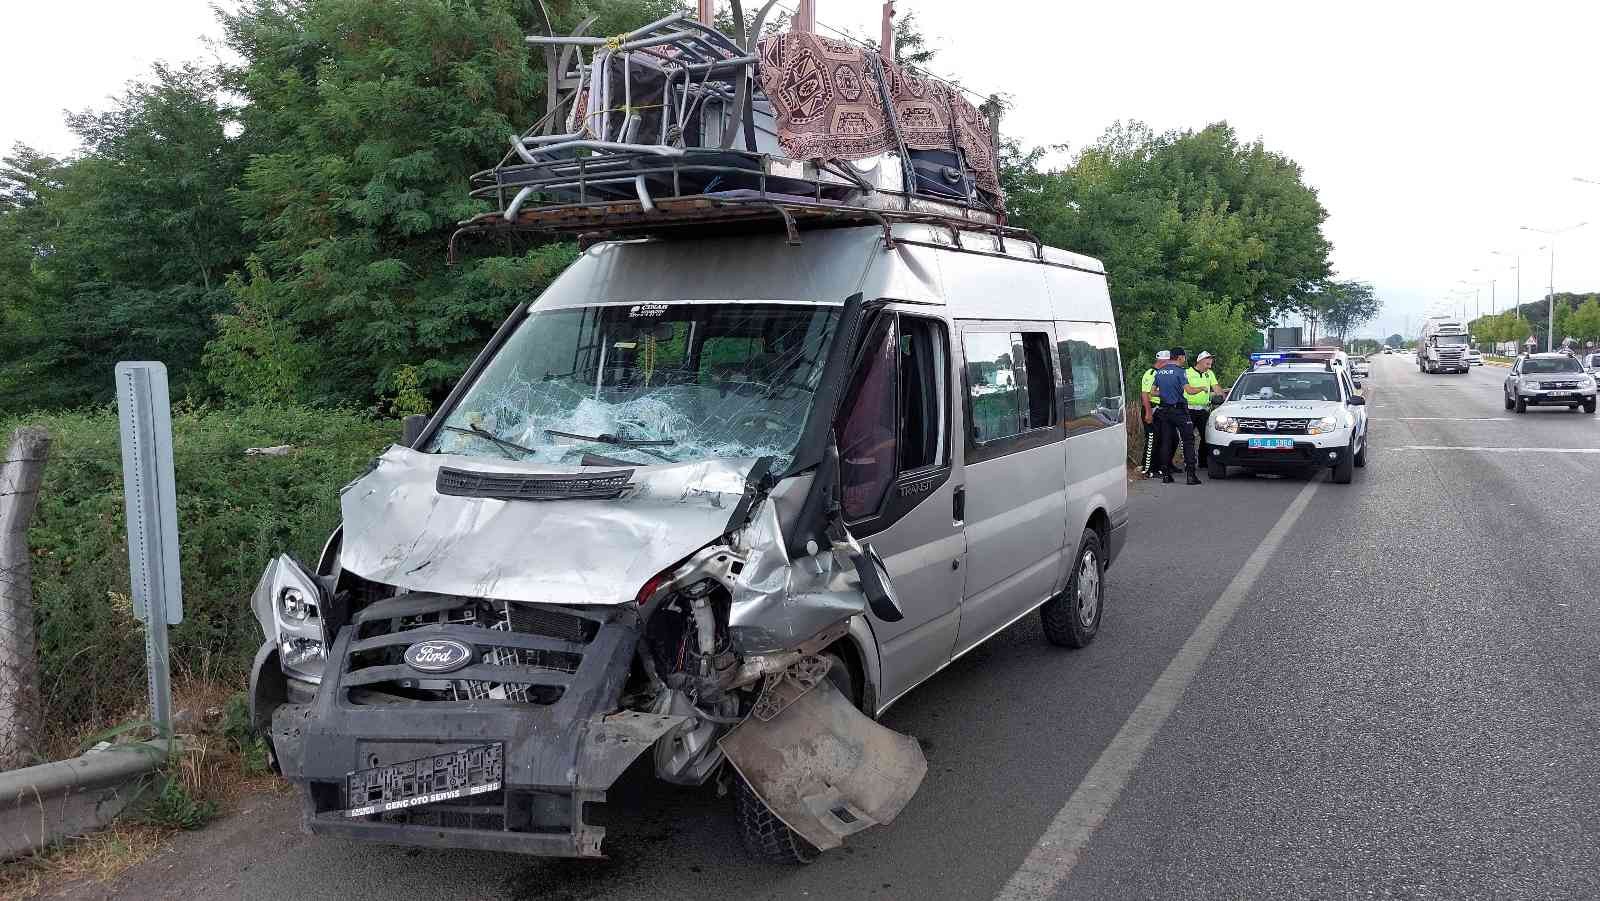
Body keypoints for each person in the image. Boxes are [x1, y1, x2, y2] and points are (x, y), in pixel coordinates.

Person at [1152, 347, 1203, 484]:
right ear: (1180, 357)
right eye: (1184, 357)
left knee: (1166, 442)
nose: (1185, 359)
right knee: (1188, 441)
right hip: (1179, 411)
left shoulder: (1160, 372)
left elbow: (1153, 392)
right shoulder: (1181, 372)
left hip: (1164, 411)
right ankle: (1191, 476)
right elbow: (1190, 391)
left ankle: (1166, 475)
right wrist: (1202, 388)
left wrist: (1165, 393)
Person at [1186, 351, 1224, 451]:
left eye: (1211, 364)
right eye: (1207, 364)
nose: (1209, 367)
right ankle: (1189, 463)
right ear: (1199, 361)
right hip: (1189, 410)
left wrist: (1224, 400)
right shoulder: (1187, 373)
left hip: (1204, 410)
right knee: (1188, 437)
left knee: (1206, 436)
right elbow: (1187, 389)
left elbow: (1216, 388)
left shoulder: (1209, 373)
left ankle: (1203, 463)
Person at [1139, 350, 1169, 476]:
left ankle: (1157, 467)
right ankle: (1147, 469)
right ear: (1162, 361)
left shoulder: (1162, 374)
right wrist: (1148, 413)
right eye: (1168, 362)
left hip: (1160, 409)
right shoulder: (1150, 373)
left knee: (1160, 439)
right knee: (1152, 439)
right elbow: (1145, 394)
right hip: (1151, 408)